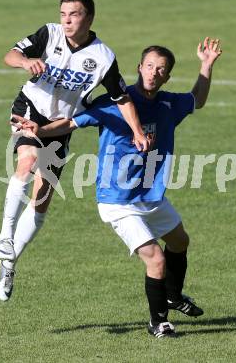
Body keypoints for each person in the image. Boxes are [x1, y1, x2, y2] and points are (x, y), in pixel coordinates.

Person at [13, 37, 222, 338]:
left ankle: (174, 296)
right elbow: (71, 123)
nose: (153, 73)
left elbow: (196, 99)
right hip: (117, 200)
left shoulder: (168, 104)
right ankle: (158, 322)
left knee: (179, 242)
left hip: (150, 196)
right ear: (139, 68)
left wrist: (206, 65)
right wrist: (41, 129)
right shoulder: (115, 104)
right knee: (156, 259)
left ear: (167, 76)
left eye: (160, 69)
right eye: (149, 66)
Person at [0, 0, 150, 302]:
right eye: (63, 14)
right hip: (29, 109)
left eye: (74, 14)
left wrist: (137, 131)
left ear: (89, 17)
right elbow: (9, 55)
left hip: (60, 126)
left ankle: (9, 263)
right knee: (26, 162)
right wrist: (26, 62)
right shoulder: (48, 34)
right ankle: (4, 238)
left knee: (41, 201)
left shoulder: (103, 57)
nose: (66, 20)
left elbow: (122, 98)